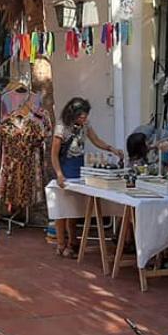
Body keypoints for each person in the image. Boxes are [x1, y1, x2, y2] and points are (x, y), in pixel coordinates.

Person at [50, 98, 123, 258]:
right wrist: (59, 174)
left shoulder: (85, 125)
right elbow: (54, 155)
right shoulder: (62, 127)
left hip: (78, 168)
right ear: (73, 115)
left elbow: (95, 140)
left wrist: (111, 149)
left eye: (85, 116)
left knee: (74, 208)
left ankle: (72, 242)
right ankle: (61, 244)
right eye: (81, 117)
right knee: (62, 209)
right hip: (64, 168)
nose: (84, 119)